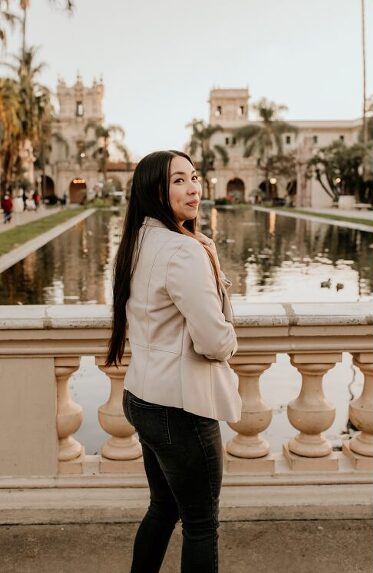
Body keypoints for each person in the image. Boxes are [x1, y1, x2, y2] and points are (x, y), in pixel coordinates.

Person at [106, 150, 240, 573]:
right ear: (154, 192)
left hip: (141, 397)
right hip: (180, 409)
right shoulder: (184, 252)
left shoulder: (137, 241)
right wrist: (214, 266)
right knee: (202, 525)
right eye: (179, 180)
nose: (194, 188)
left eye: (195, 177)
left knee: (163, 509)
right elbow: (216, 341)